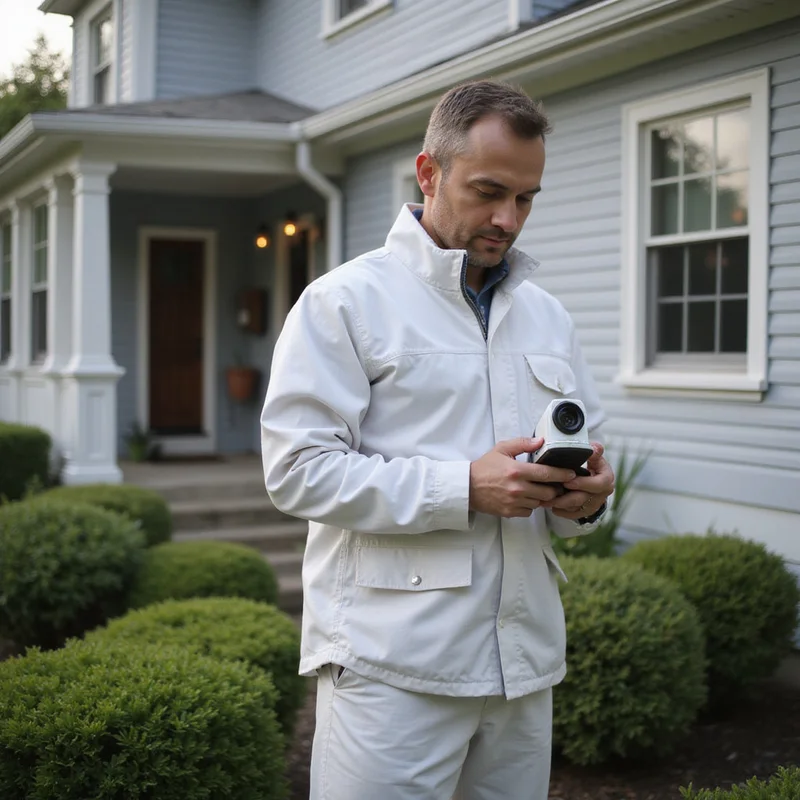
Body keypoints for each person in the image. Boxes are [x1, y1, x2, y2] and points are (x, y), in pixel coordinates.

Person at [261, 79, 615, 800]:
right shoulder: (343, 302)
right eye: (489, 191)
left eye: (526, 199)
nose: (507, 218)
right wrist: (464, 487)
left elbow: (583, 462)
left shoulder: (548, 318)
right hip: (391, 669)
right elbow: (297, 470)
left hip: (522, 670)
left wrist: (585, 501)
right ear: (429, 173)